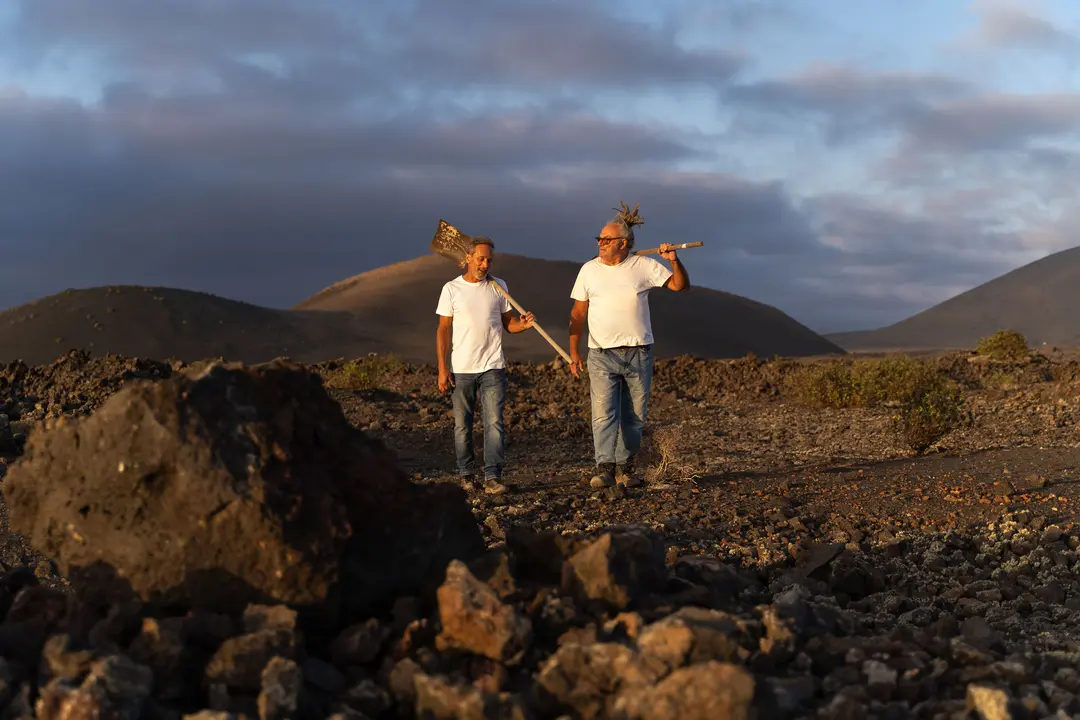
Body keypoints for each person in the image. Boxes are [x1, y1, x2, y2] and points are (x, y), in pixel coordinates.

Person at [567, 208, 690, 489]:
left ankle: (625, 466)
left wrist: (673, 260)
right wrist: (574, 350)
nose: (600, 243)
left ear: (623, 243)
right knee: (602, 414)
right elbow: (577, 313)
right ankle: (605, 467)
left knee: (634, 417)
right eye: (599, 238)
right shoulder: (588, 270)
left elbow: (680, 286)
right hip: (600, 353)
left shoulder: (643, 266)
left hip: (638, 352)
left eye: (606, 239)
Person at [436, 236, 534, 492]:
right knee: (462, 425)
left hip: (493, 366)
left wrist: (522, 325)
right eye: (480, 259)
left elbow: (508, 324)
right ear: (468, 258)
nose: (484, 264)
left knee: (494, 423)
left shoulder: (498, 286)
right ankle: (467, 475)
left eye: (489, 260)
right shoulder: (451, 289)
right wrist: (443, 368)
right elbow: (443, 330)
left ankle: (493, 477)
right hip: (462, 369)